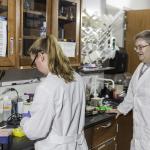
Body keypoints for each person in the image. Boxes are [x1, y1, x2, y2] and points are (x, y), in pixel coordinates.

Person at [20, 35, 88, 150]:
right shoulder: (77, 78)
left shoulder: (47, 87)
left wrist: (25, 119)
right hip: (77, 145)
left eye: (34, 62)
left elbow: (35, 131)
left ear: (41, 56)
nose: (36, 66)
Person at [107, 30, 150, 150]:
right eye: (136, 47)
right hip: (140, 132)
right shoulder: (141, 67)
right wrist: (120, 109)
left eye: (141, 47)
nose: (137, 50)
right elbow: (132, 94)